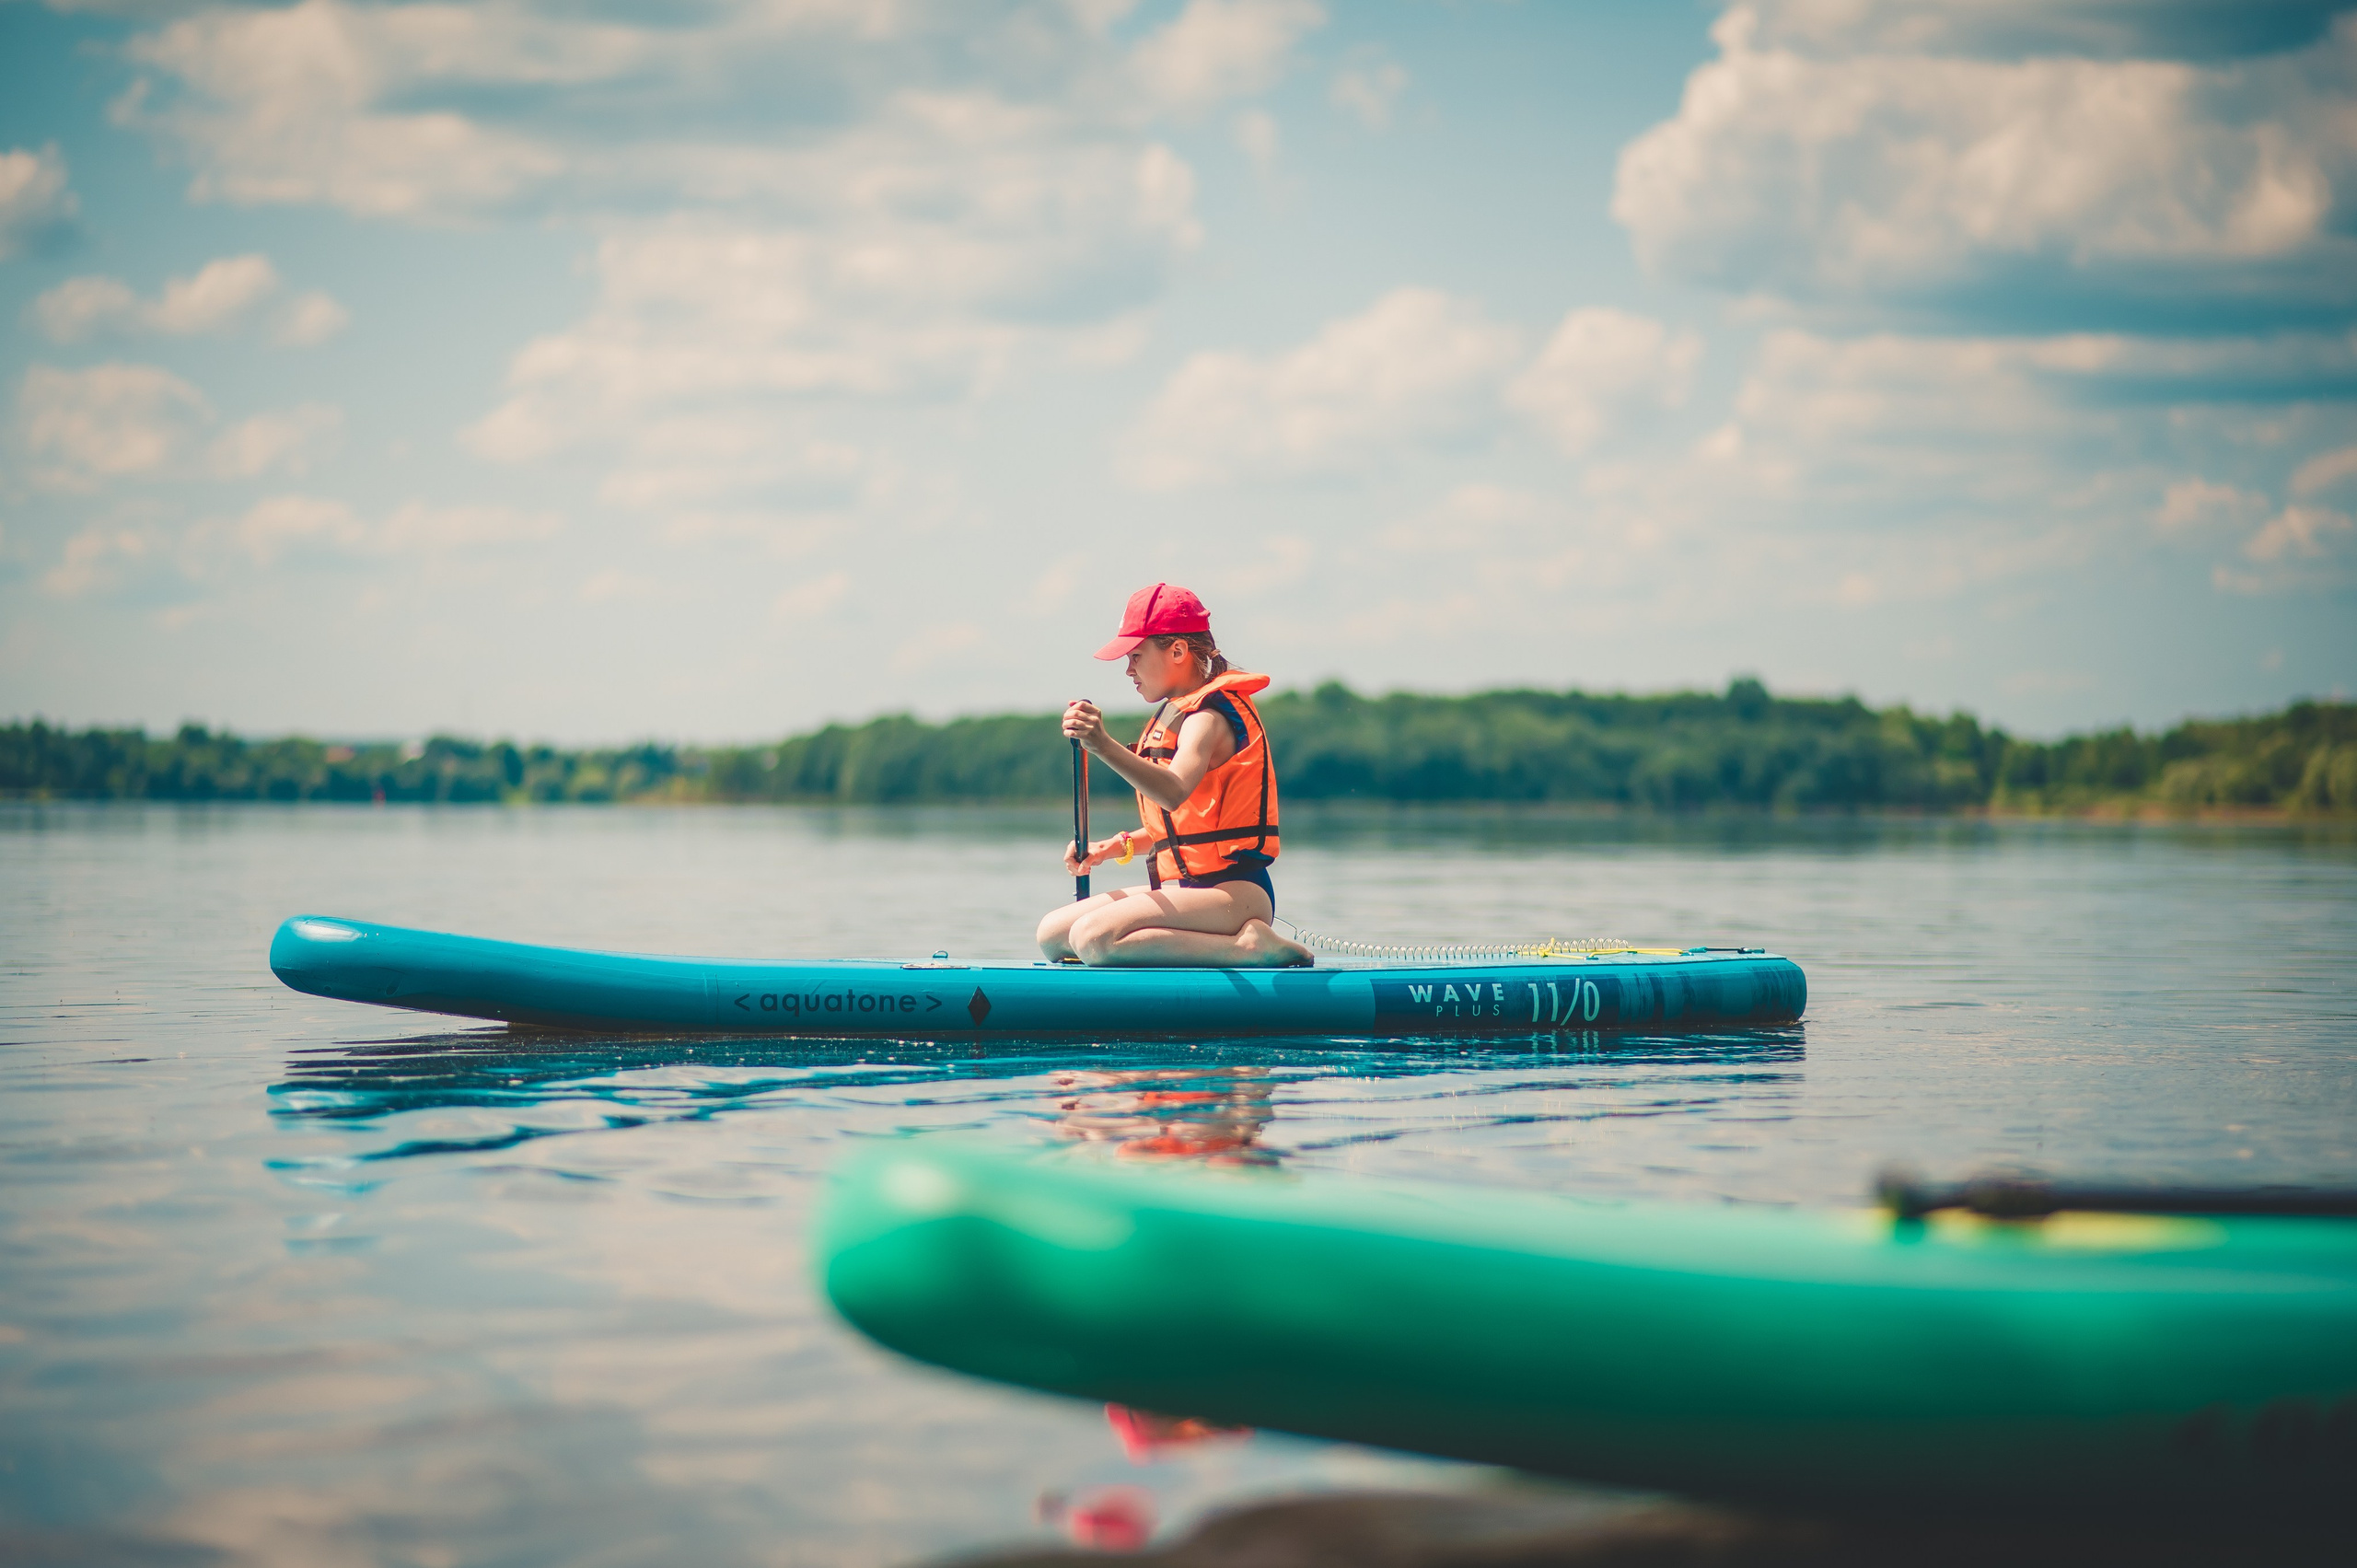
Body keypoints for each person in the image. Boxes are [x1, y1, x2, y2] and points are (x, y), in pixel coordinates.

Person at [1037, 584, 1314, 968]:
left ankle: (1249, 947)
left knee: (1093, 938)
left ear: (1179, 651)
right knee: (1052, 935)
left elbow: (1174, 792)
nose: (1128, 670)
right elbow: (1183, 827)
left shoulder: (1207, 719)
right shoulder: (1175, 715)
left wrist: (1102, 744)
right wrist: (1113, 847)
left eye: (1136, 656)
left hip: (1235, 895)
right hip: (1189, 893)